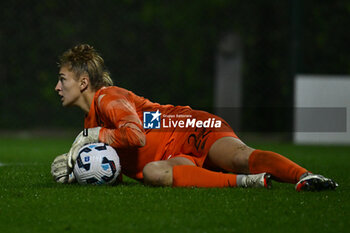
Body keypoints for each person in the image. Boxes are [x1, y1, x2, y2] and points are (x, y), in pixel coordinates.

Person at [51, 44, 338, 191]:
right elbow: (112, 167)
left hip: (187, 126)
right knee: (154, 173)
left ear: (84, 82)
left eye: (63, 79)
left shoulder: (108, 98)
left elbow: (136, 135)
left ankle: (306, 176)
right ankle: (249, 182)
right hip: (170, 155)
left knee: (239, 157)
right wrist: (74, 171)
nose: (58, 87)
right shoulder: (90, 123)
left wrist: (93, 137)